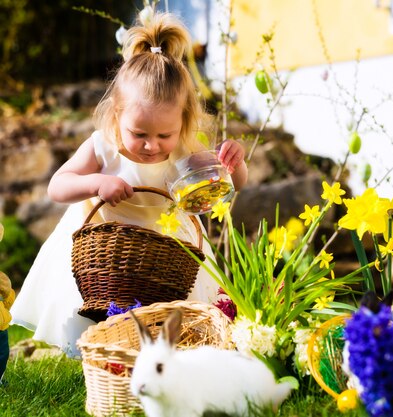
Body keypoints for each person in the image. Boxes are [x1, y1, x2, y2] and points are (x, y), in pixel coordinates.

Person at [10, 9, 248, 357]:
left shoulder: (184, 148)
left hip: (164, 253)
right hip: (104, 253)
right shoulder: (103, 145)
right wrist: (96, 183)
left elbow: (229, 184)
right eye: (139, 134)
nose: (152, 146)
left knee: (175, 327)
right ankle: (98, 355)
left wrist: (234, 163)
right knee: (97, 320)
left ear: (181, 122)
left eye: (163, 135)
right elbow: (57, 187)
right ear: (117, 115)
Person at [1, 223, 16, 385]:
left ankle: (0, 378)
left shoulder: (1, 278)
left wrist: (8, 293)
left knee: (2, 354)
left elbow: (7, 300)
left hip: (1, 327)